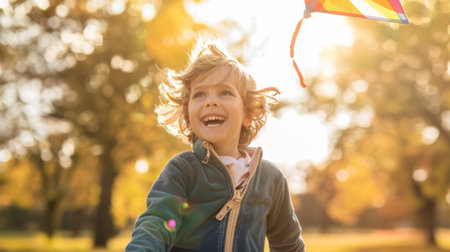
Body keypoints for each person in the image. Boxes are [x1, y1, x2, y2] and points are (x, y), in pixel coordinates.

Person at [126, 39, 306, 252]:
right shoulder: (183, 170)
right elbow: (156, 224)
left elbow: (289, 244)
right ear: (187, 117)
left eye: (225, 92)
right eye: (199, 94)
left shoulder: (270, 179)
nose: (210, 101)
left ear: (248, 114)